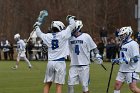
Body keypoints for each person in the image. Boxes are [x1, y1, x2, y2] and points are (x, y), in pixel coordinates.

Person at [33, 15, 76, 93]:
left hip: (50, 62)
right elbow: (72, 25)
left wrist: (36, 26)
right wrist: (70, 18)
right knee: (59, 85)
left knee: (47, 84)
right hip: (60, 63)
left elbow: (39, 33)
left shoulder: (48, 36)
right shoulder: (63, 34)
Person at [68, 20, 103, 93]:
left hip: (84, 65)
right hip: (74, 65)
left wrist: (97, 55)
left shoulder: (86, 36)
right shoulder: (69, 37)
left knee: (85, 87)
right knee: (70, 85)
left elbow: (94, 47)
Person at [112, 26, 140, 93]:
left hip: (131, 69)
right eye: (121, 35)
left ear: (128, 34)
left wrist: (124, 60)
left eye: (123, 35)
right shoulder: (122, 44)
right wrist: (118, 60)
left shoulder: (133, 44)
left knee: (133, 88)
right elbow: (124, 56)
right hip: (123, 68)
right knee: (117, 85)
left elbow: (136, 58)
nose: (121, 36)